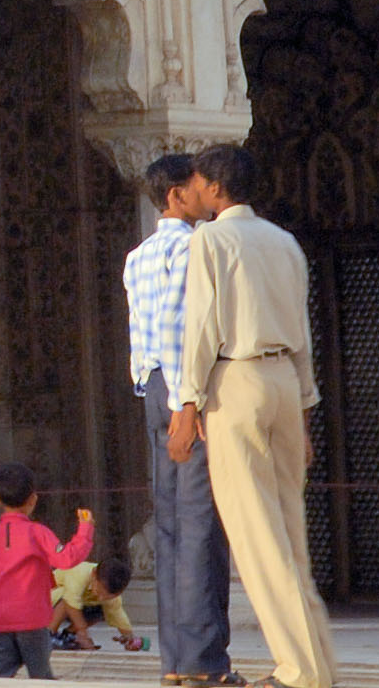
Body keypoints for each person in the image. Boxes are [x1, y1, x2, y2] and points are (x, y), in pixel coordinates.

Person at [167, 144, 335, 688]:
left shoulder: (211, 240)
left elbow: (201, 328)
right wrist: (305, 412)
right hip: (285, 380)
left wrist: (186, 404)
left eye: (197, 183)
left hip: (237, 380)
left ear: (216, 190)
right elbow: (304, 336)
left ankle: (298, 671)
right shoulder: (284, 243)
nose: (193, 192)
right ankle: (314, 664)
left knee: (258, 537)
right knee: (289, 535)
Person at [125, 153, 231, 685]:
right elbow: (184, 328)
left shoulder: (138, 255)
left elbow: (143, 335)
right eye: (196, 188)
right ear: (175, 196)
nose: (205, 197)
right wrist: (188, 404)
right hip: (184, 391)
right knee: (199, 525)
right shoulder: (194, 248)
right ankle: (203, 662)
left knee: (171, 526)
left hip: (152, 387)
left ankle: (174, 662)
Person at [0, 462, 92, 680]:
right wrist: (85, 529)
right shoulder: (37, 533)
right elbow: (67, 558)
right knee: (40, 676)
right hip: (33, 622)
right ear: (33, 499)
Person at [50, 556, 140, 655]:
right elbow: (71, 602)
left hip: (75, 607)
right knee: (67, 598)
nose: (101, 598)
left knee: (101, 610)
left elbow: (118, 615)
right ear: (93, 574)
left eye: (106, 597)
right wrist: (83, 632)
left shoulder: (109, 595)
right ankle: (49, 634)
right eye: (98, 592)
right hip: (48, 600)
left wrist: (130, 638)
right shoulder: (80, 572)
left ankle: (69, 635)